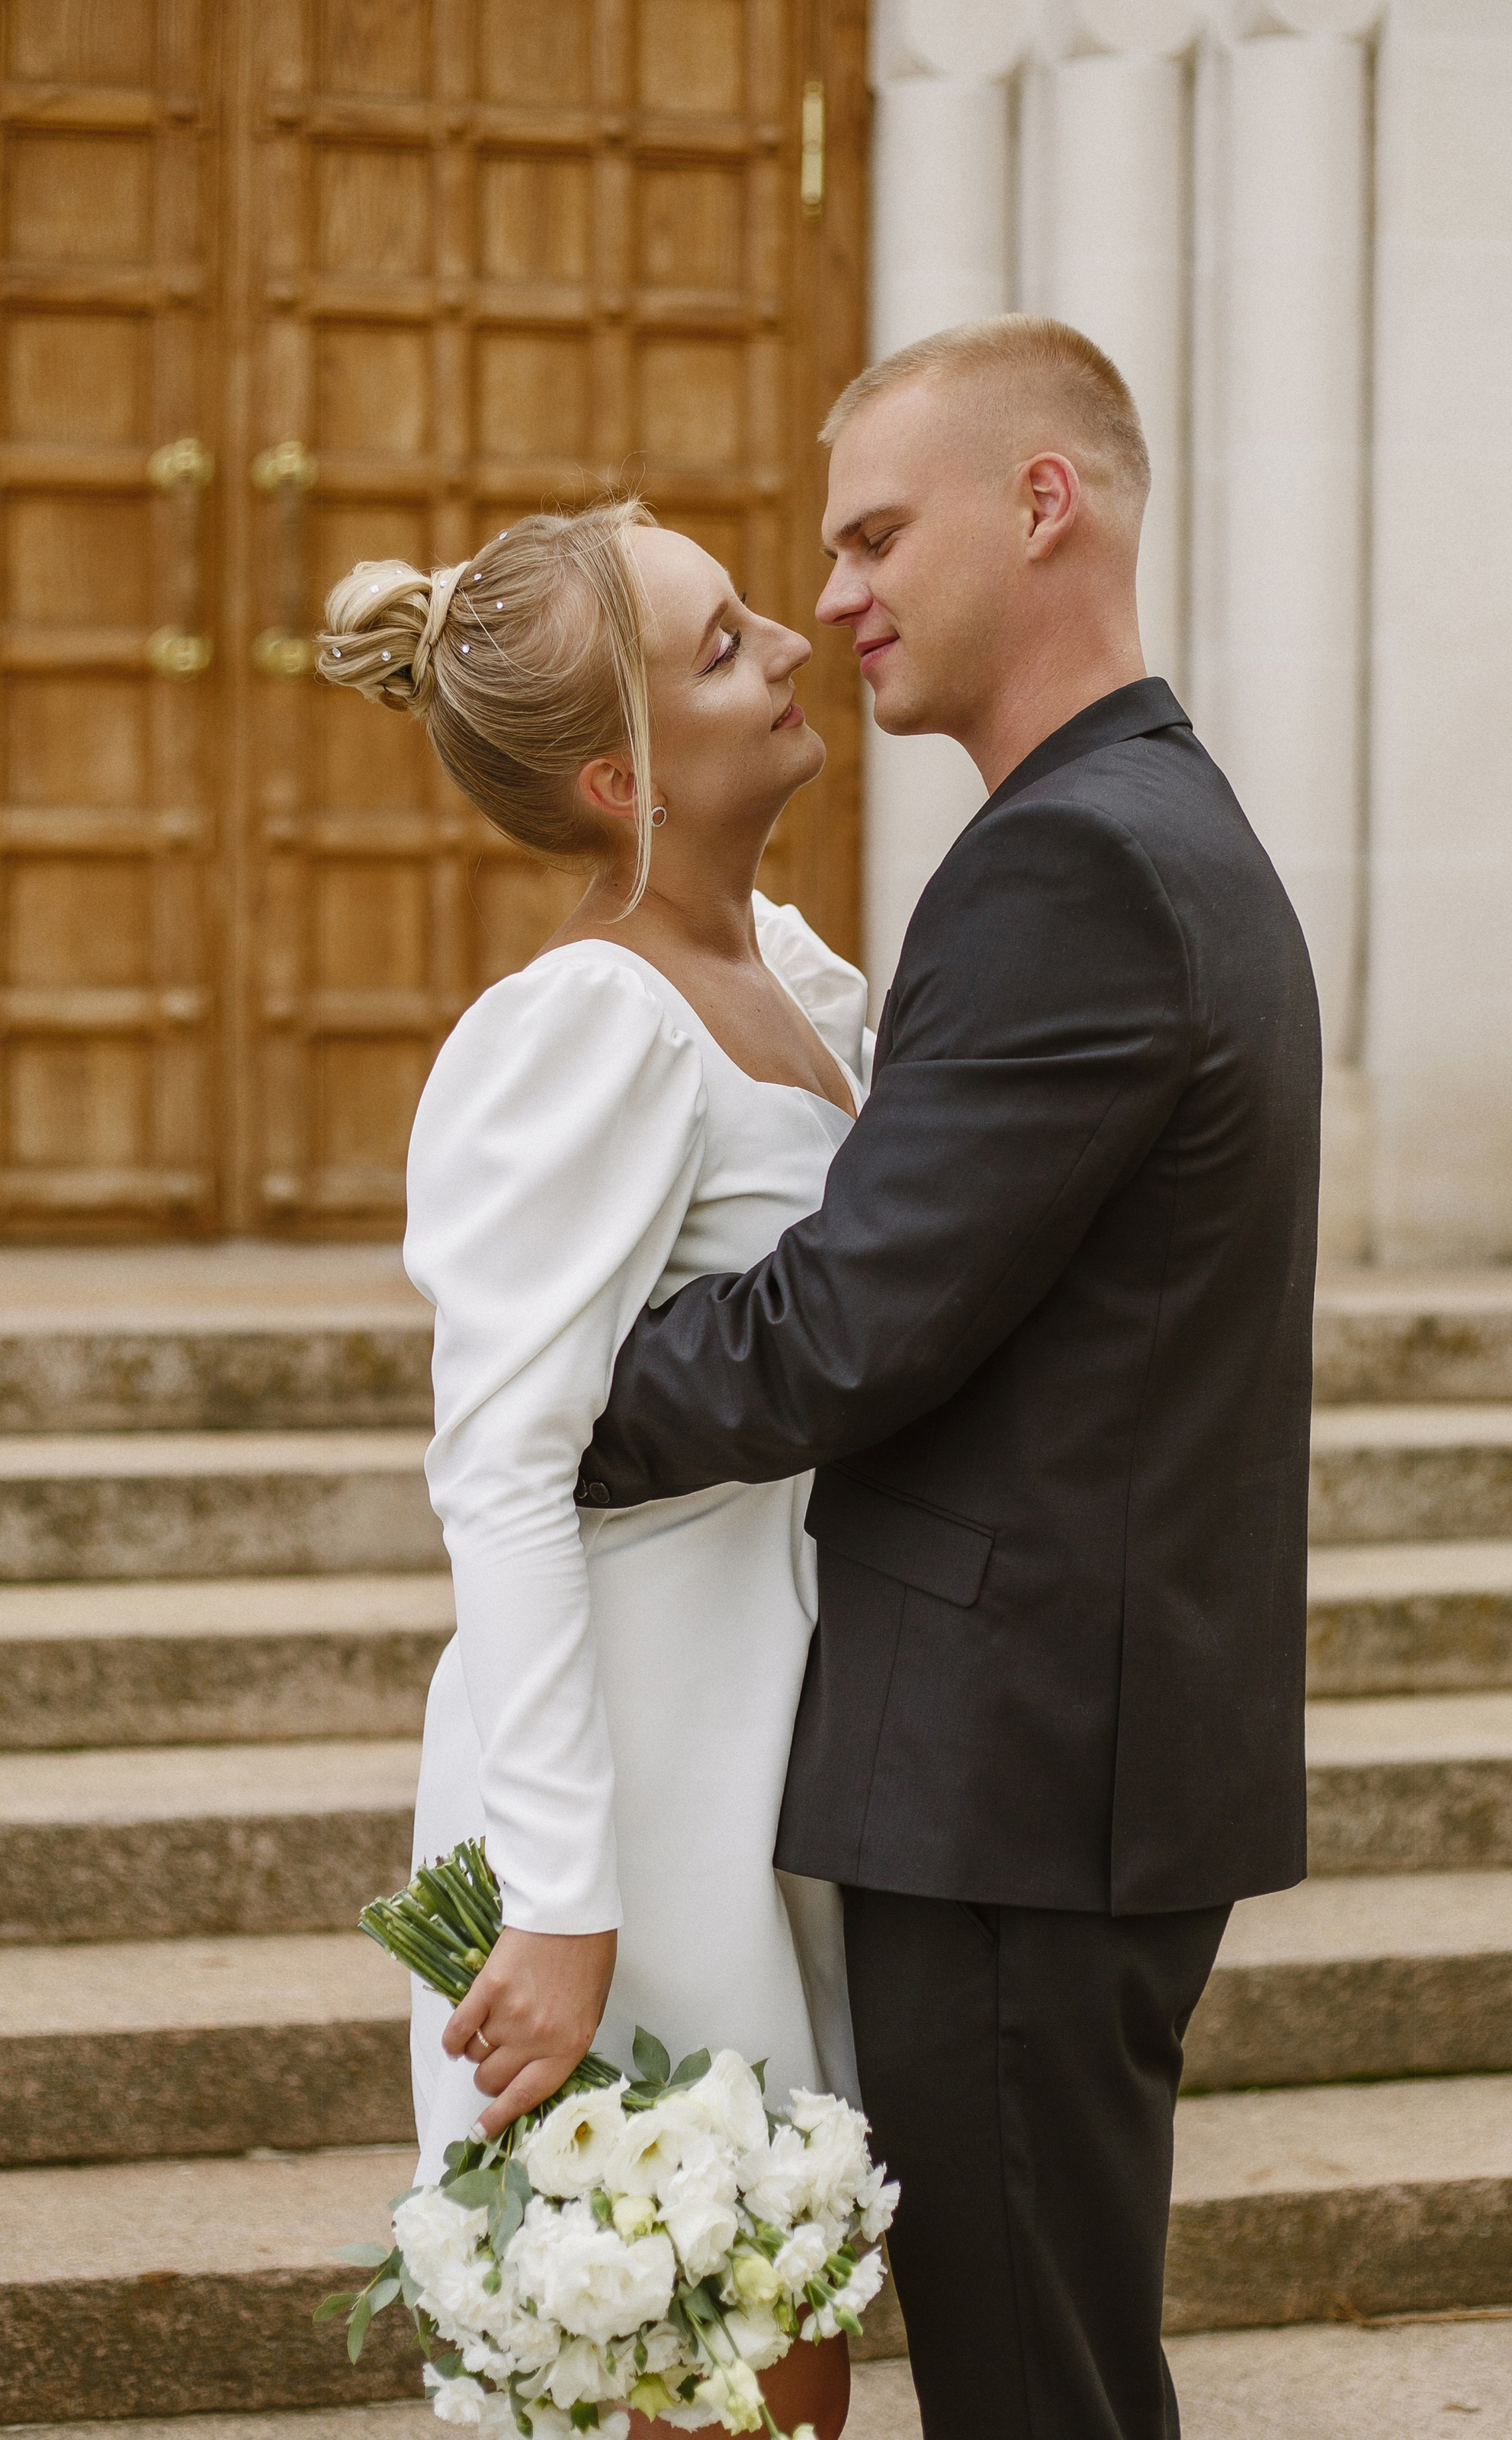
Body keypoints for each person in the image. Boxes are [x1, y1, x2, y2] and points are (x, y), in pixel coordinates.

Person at [576, 316, 1322, 2440]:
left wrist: (549, 1395)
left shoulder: (1074, 862)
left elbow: (850, 1326)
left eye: (878, 534)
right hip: (1074, 1761)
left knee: (1033, 2398)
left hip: (1020, 1787)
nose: (832, 597)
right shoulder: (1154, 825)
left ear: (1045, 502)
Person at [316, 500, 862, 2437]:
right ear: (622, 774)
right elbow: (504, 1469)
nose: (789, 642)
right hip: (622, 1780)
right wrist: (558, 1896)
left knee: (795, 2325)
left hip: (768, 1730)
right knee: (715, 2351)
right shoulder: (576, 1030)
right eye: (724, 645)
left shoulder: (790, 971)